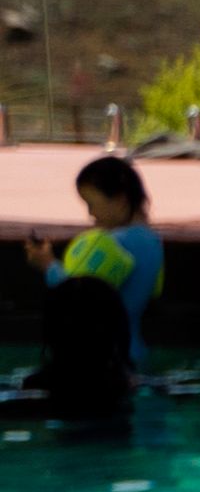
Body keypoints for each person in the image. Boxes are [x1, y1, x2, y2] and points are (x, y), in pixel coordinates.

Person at [22, 153, 157, 437]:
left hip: (93, 361)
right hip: (134, 353)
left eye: (92, 204)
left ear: (119, 200)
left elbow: (82, 303)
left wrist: (49, 266)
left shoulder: (110, 245)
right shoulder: (152, 242)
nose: (90, 214)